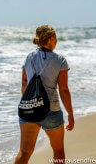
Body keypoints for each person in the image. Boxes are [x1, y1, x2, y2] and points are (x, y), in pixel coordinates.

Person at [14, 25, 75, 164]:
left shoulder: (28, 57)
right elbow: (64, 89)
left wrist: (30, 103)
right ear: (52, 38)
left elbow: (24, 83)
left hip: (29, 110)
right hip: (51, 111)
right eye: (56, 38)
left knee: (24, 152)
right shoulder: (60, 60)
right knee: (58, 150)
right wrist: (70, 114)